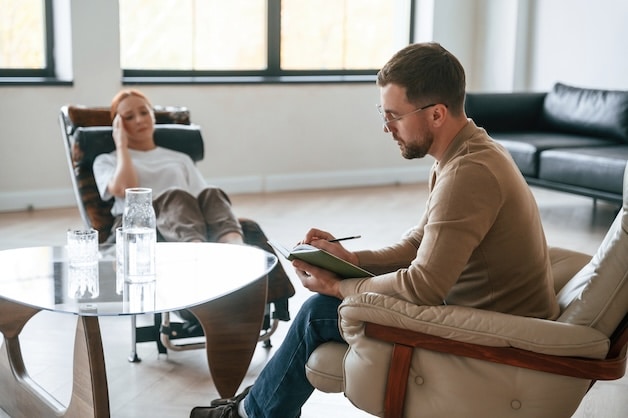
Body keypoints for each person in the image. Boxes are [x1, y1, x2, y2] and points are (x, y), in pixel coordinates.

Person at [190, 42, 558, 418]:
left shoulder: (468, 172)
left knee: (321, 309)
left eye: (394, 115)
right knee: (327, 304)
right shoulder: (464, 154)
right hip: (486, 317)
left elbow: (423, 286)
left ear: (436, 114)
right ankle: (256, 407)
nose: (386, 127)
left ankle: (250, 413)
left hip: (495, 335)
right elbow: (419, 243)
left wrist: (340, 287)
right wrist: (350, 260)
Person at [93, 89, 244, 245]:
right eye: (129, 117)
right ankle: (196, 250)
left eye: (144, 112)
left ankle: (236, 247)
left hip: (187, 219)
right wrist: (121, 145)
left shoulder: (180, 158)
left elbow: (201, 196)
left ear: (153, 116)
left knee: (212, 193)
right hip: (139, 226)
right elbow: (126, 189)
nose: (139, 120)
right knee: (175, 196)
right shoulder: (107, 160)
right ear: (118, 125)